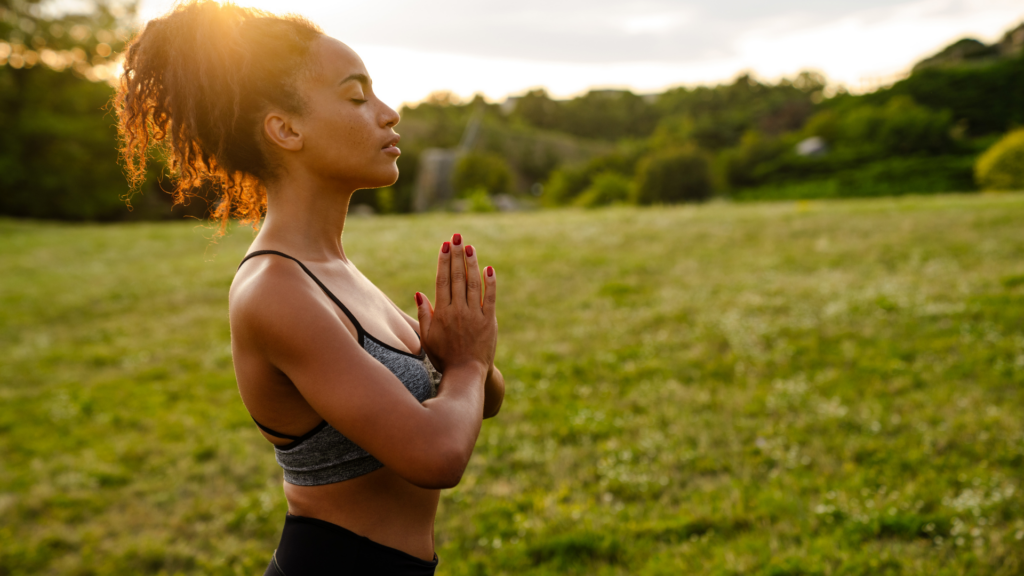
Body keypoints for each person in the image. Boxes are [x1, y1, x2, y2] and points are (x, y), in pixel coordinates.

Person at [114, 2, 505, 574]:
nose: (389, 114)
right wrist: (468, 365)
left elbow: (477, 405)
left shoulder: (335, 270)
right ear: (286, 129)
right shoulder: (276, 290)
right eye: (357, 97)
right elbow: (437, 454)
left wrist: (465, 360)